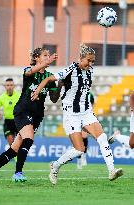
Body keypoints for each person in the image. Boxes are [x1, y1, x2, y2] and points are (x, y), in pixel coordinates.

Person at [31, 44, 123, 185]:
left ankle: (112, 170)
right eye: (89, 60)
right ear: (81, 58)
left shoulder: (90, 71)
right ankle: (55, 166)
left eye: (93, 61)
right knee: (79, 150)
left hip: (86, 112)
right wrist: (37, 91)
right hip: (71, 114)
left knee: (102, 137)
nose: (91, 64)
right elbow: (48, 79)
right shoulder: (70, 69)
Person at [0, 47, 62, 185]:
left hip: (37, 115)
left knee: (14, 150)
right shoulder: (28, 71)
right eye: (45, 55)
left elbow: (54, 99)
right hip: (23, 110)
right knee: (28, 140)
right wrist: (47, 62)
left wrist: (60, 84)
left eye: (49, 55)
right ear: (36, 58)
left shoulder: (49, 77)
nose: (48, 57)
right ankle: (18, 173)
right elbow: (31, 71)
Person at [0, 78, 20, 146]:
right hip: (8, 122)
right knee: (11, 141)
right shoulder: (1, 98)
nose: (9, 87)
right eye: (8, 85)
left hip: (18, 121)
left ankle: (17, 155)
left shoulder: (19, 96)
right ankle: (14, 155)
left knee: (19, 143)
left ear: (14, 86)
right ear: (5, 86)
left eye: (11, 85)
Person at [77, 91, 95, 169]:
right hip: (76, 115)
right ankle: (79, 159)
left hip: (86, 116)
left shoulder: (90, 94)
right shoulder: (76, 92)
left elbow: (92, 104)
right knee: (78, 137)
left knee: (84, 136)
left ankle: (83, 156)